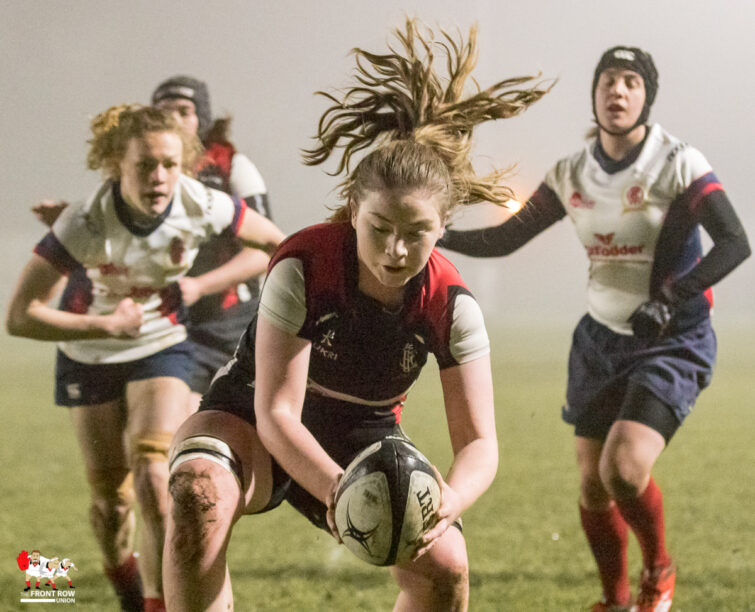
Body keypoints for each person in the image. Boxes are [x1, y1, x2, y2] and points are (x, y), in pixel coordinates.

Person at [162, 19, 550, 612]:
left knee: (446, 571)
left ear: (443, 227)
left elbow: (479, 443)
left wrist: (449, 500)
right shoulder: (304, 265)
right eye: (380, 228)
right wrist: (337, 489)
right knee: (198, 493)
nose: (395, 250)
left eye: (416, 233)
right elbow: (277, 411)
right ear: (352, 211)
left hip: (362, 434)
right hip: (252, 412)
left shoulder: (450, 304)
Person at [438, 46, 750, 611]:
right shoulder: (572, 172)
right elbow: (507, 238)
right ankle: (615, 600)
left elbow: (735, 242)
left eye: (631, 81)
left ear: (646, 97)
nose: (618, 91)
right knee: (592, 484)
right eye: (609, 80)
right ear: (595, 93)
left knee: (622, 471)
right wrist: (438, 234)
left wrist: (672, 298)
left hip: (672, 339)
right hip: (600, 341)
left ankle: (659, 569)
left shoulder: (678, 161)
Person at [6, 104, 285, 612]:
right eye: (145, 165)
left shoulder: (200, 201)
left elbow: (274, 242)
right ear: (118, 163)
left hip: (161, 346)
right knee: (111, 503)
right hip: (88, 354)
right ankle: (126, 586)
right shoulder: (84, 223)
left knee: (157, 478)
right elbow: (20, 317)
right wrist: (107, 325)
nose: (159, 177)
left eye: (170, 164)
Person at [33, 75, 275, 413]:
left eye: (184, 111)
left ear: (202, 119)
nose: (174, 119)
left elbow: (266, 249)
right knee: (173, 426)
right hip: (168, 320)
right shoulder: (138, 171)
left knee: (220, 421)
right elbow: (115, 227)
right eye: (164, 111)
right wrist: (69, 223)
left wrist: (200, 286)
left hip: (227, 319)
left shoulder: (228, 170)